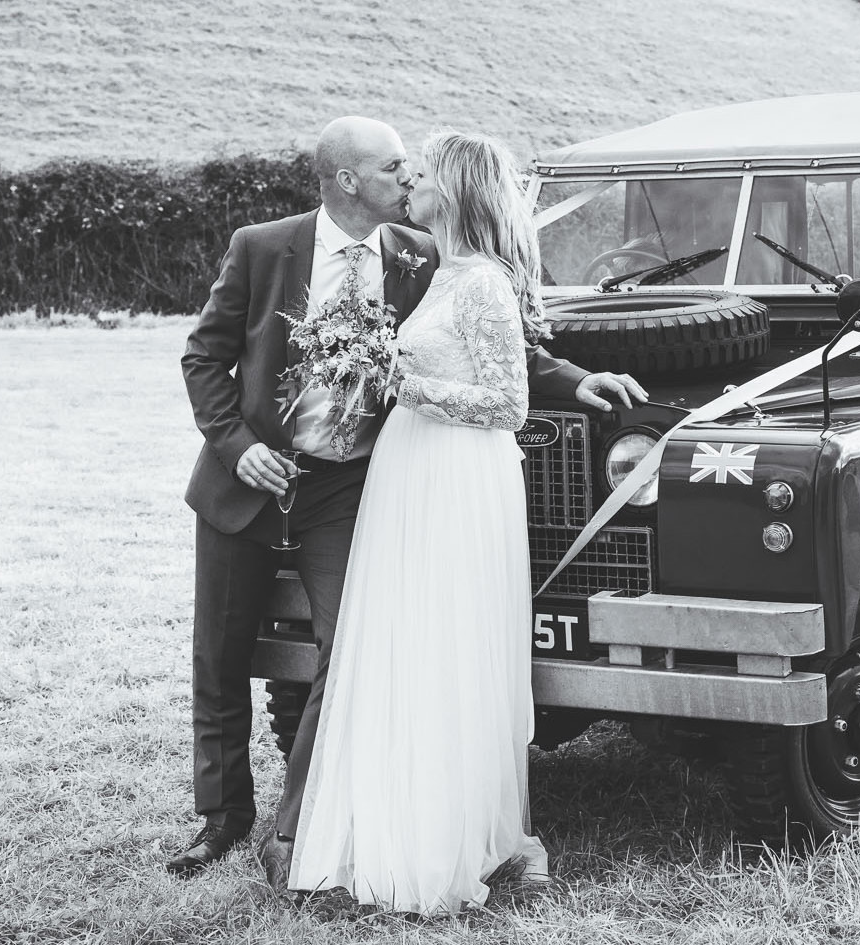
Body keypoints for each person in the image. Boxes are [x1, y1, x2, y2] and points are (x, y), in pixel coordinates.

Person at [171, 116, 646, 879]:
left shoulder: (422, 254)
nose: (410, 176)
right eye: (395, 167)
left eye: (414, 167)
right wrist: (241, 447)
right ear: (348, 181)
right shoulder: (261, 246)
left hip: (349, 486)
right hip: (248, 479)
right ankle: (222, 818)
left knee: (350, 647)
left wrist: (574, 378)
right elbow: (204, 356)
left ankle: (301, 825)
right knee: (220, 657)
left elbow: (499, 341)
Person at [284, 130, 560, 913]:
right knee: (406, 642)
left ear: (459, 191)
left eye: (425, 171)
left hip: (457, 476)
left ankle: (449, 835)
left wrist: (400, 384)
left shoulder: (481, 284)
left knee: (448, 643)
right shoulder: (439, 273)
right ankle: (388, 820)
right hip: (408, 470)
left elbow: (510, 404)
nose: (410, 179)